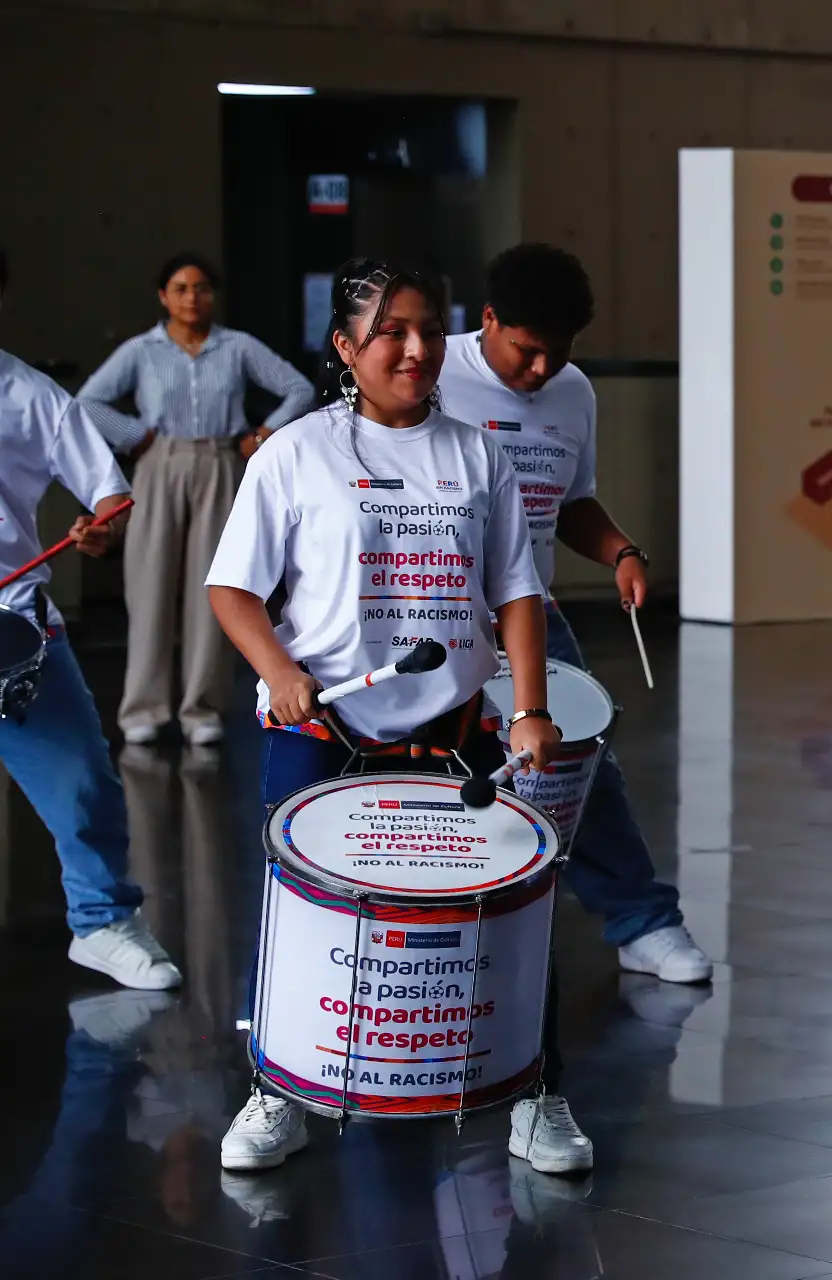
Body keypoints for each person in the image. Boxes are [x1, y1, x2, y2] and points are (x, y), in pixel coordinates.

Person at [205, 259, 584, 1176]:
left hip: (454, 732)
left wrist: (529, 708)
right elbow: (234, 589)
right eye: (391, 334)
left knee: (514, 910)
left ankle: (537, 1095)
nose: (416, 351)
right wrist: (280, 669)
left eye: (427, 330)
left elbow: (517, 590)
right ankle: (278, 1089)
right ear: (346, 348)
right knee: (301, 916)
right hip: (325, 731)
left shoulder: (473, 450)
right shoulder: (296, 454)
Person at [436, 242, 711, 983]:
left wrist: (621, 550)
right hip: (434, 618)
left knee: (576, 767)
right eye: (527, 352)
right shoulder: (431, 374)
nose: (539, 371)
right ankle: (447, 925)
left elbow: (570, 501)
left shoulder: (573, 392)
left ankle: (642, 920)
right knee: (437, 773)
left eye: (556, 355)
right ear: (488, 319)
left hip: (533, 610)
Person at [0, 249, 181, 993]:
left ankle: (102, 922)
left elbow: (110, 494)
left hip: (10, 628)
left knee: (81, 783)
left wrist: (99, 527)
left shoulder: (26, 394)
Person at [77, 253, 314, 747]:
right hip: (159, 463)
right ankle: (144, 706)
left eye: (202, 287)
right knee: (149, 587)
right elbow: (87, 402)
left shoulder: (236, 346)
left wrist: (264, 434)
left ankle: (200, 709)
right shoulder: (142, 350)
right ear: (164, 297)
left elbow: (298, 387)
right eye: (181, 288)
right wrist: (133, 435)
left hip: (220, 464)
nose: (192, 297)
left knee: (217, 588)